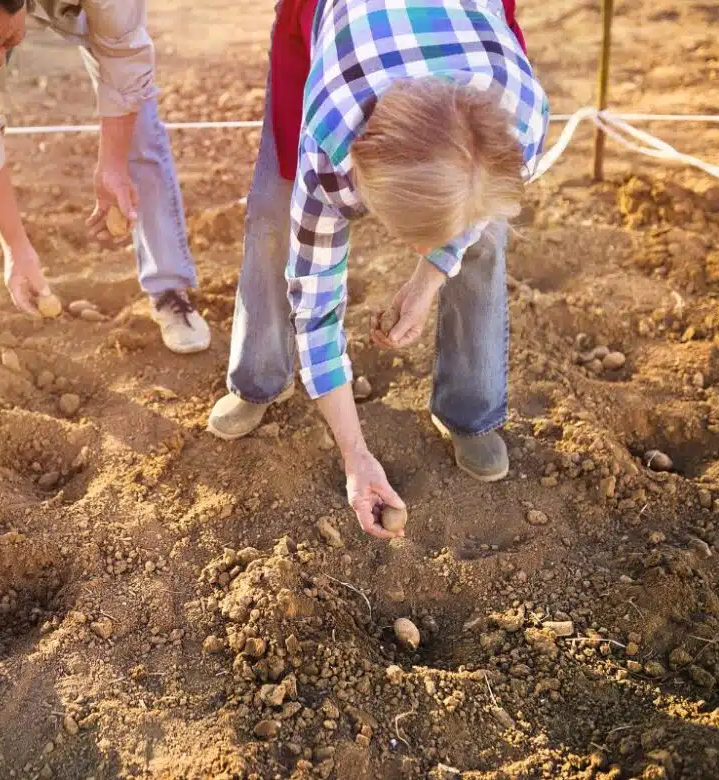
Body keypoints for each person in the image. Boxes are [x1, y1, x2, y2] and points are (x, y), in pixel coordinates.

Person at [207, 0, 548, 538]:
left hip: (467, 30)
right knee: (275, 212)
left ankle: (471, 411)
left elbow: (474, 208)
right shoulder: (331, 132)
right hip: (333, 25)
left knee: (484, 240)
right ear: (361, 173)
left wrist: (427, 280)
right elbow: (317, 302)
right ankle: (259, 376)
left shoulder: (522, 112)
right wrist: (356, 458)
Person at [0, 0, 211, 360]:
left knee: (137, 121)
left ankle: (169, 289)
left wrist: (113, 165)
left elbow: (125, 58)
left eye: (5, 40)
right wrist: (16, 247)